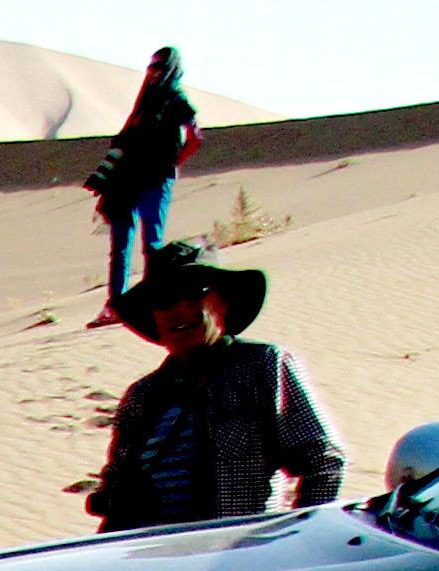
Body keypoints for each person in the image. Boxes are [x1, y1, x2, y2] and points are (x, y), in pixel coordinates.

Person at [77, 243, 342, 530]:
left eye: (193, 292)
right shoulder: (141, 396)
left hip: (236, 558)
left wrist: (295, 538)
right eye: (162, 299)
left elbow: (324, 461)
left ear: (224, 301)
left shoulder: (263, 366)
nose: (178, 309)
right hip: (148, 559)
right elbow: (116, 488)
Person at [87, 49, 198, 308]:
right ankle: (116, 305)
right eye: (151, 67)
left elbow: (195, 138)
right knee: (120, 245)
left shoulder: (176, 99)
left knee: (152, 245)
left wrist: (172, 164)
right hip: (129, 179)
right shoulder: (146, 100)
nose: (153, 72)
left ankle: (152, 302)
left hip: (156, 180)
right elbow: (127, 137)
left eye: (159, 67)